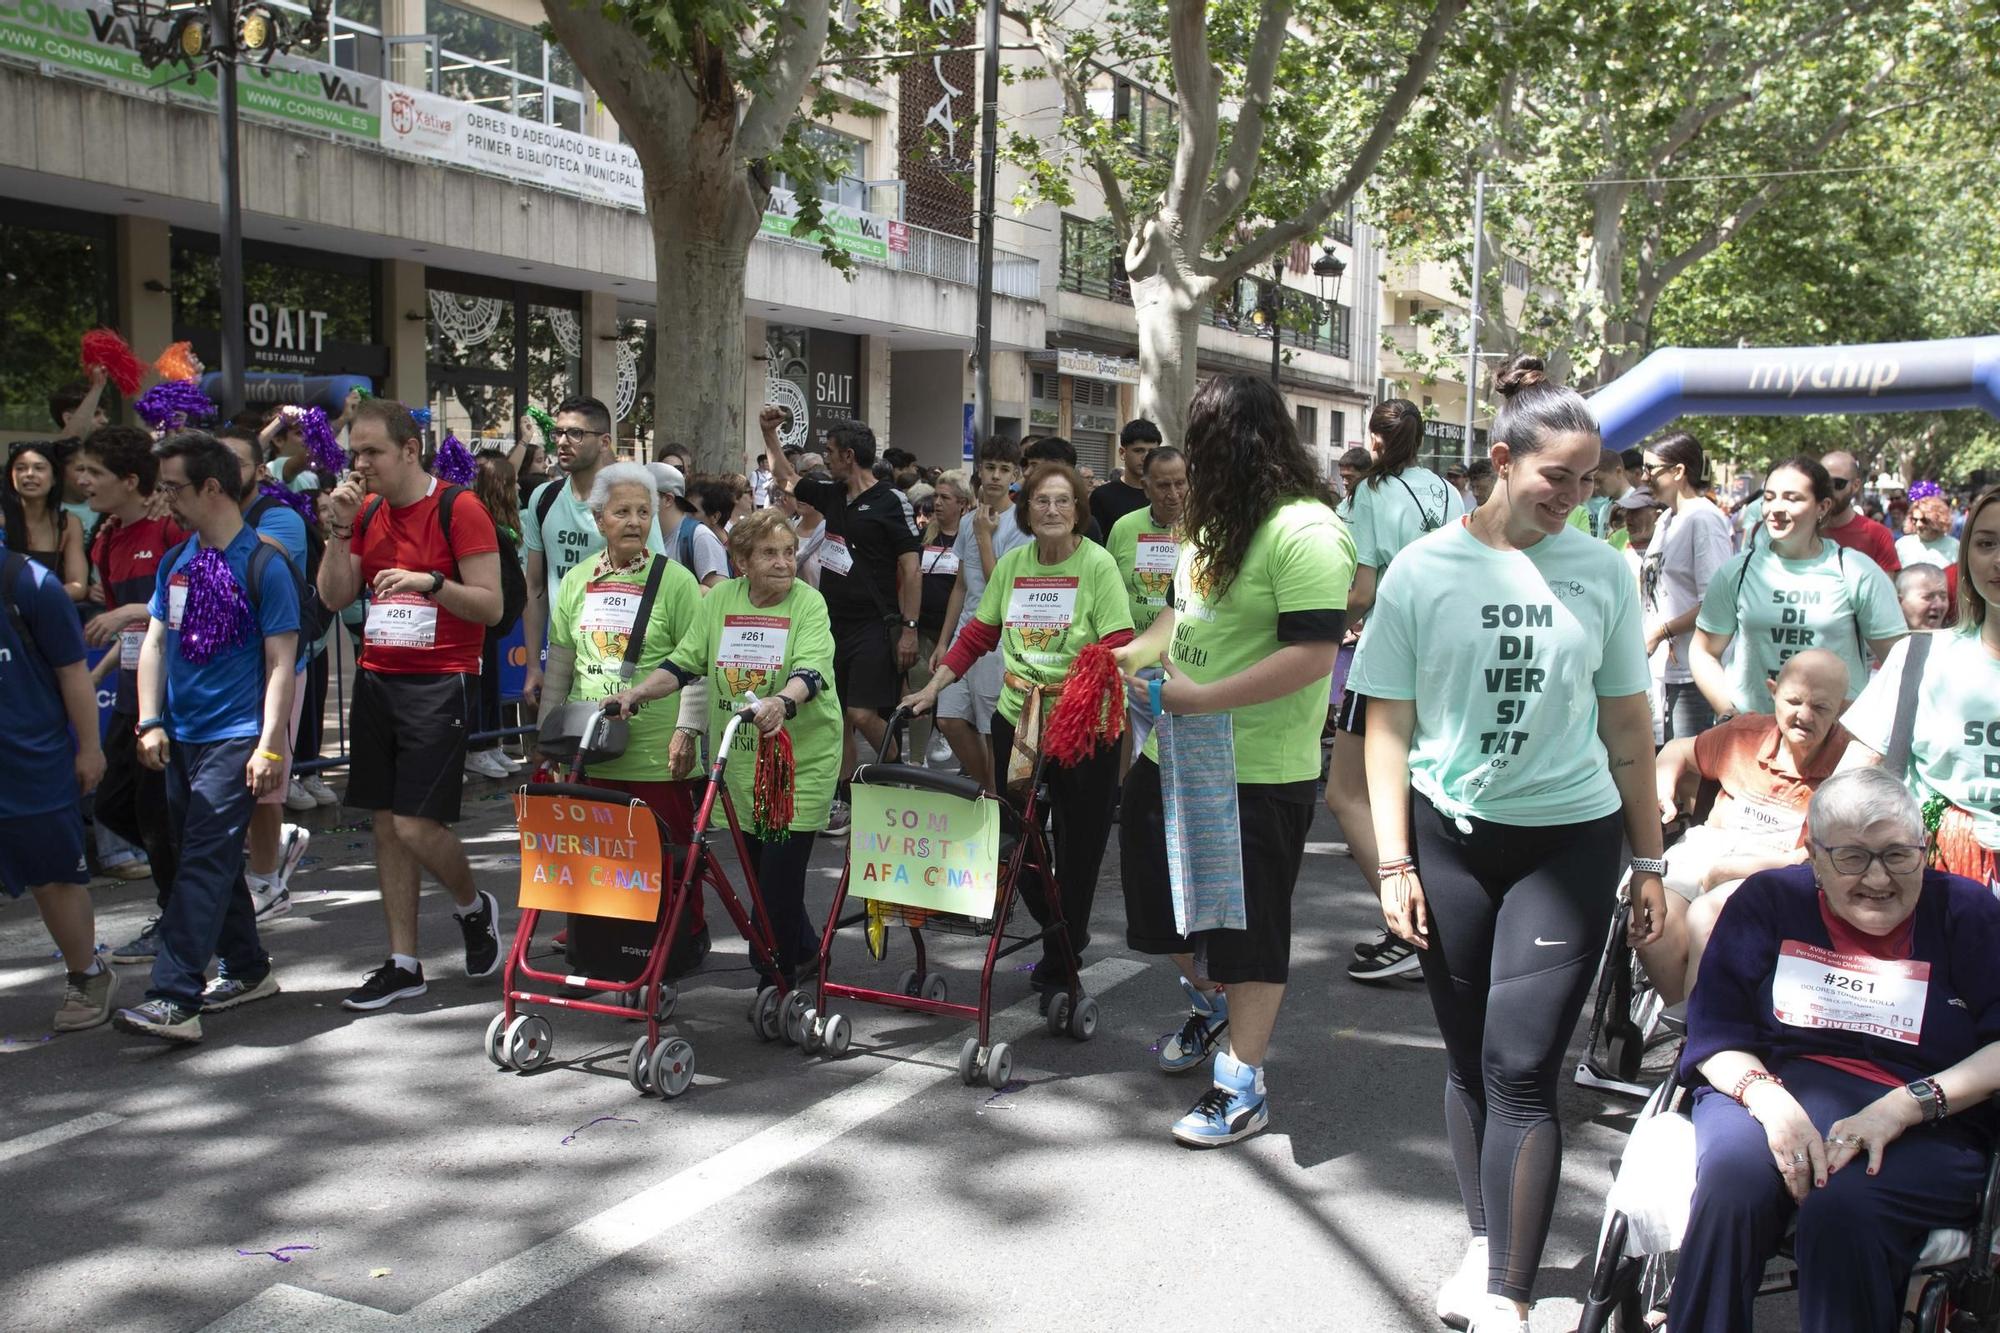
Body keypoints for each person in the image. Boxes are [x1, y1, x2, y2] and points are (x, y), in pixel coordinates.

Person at [1348, 354, 1667, 1333]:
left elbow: (1624, 728)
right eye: (1555, 477)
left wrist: (1649, 860)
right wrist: (1393, 862)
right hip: (1446, 843)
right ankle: (1487, 1235)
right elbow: (1386, 730)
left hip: (1566, 847)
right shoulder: (1422, 567)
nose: (1575, 497)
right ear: (1499, 460)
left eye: (1587, 478)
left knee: (1520, 1067)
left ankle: (1509, 1294)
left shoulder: (1603, 568)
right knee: (1466, 1060)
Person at [1107, 375, 1352, 1147]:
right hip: (1176, 750)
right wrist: (1114, 659)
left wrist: (1198, 699)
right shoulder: (1213, 527)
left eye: (1202, 447)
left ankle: (1242, 1084)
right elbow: (1179, 621)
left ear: (1236, 446)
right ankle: (1213, 1001)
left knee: (1252, 936)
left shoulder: (1307, 530)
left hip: (1259, 768)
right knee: (1155, 906)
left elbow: (1314, 654)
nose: (1187, 470)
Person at [1668, 769, 2000, 1333]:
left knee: (1846, 1208)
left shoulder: (1967, 912)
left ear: (1924, 850)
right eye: (1852, 857)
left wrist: (1903, 1106)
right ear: (1814, 857)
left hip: (1930, 1113)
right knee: (1733, 1185)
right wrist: (1771, 1104)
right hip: (1767, 1090)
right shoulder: (1769, 901)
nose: (1878, 878)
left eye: (1898, 855)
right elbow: (1714, 1032)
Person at [903, 461, 1134, 988]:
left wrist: (1092, 684)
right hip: (1018, 721)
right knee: (1018, 832)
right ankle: (1060, 933)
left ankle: (1064, 944)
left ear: (1077, 510)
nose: (1052, 510)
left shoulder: (1097, 566)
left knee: (1081, 844)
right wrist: (934, 686)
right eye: (1041, 501)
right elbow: (979, 635)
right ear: (1026, 510)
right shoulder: (1011, 563)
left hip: (1082, 726)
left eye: (1063, 501)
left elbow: (1120, 644)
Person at [316, 398, 506, 1012]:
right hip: (378, 677)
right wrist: (341, 531)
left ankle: (474, 907)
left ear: (409, 450)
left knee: (415, 823)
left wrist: (432, 583)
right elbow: (333, 596)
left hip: (440, 680)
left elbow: (491, 607)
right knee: (383, 822)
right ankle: (403, 962)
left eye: (372, 451)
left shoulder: (460, 507)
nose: (361, 464)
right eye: (354, 453)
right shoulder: (365, 511)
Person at [603, 507, 841, 981]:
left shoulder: (808, 603)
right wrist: (637, 692)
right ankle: (807, 950)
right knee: (762, 877)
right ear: (742, 561)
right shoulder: (720, 600)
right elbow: (684, 661)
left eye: (789, 552)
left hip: (799, 763)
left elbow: (811, 670)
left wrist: (782, 701)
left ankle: (774, 978)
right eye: (769, 553)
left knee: (777, 881)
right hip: (741, 765)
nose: (783, 563)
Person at [116, 431, 300, 1042]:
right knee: (206, 861)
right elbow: (156, 644)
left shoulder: (266, 564)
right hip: (179, 739)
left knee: (199, 864)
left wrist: (270, 745)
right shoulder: (178, 561)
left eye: (173, 487)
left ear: (212, 488)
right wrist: (150, 719)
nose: (163, 498)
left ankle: (175, 997)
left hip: (237, 740)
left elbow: (281, 665)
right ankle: (248, 970)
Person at [538, 463, 707, 956]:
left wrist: (687, 733)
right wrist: (546, 740)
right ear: (599, 519)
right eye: (622, 512)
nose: (634, 521)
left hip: (658, 750)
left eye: (643, 512)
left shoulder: (676, 582)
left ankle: (681, 937)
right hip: (590, 744)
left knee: (668, 850)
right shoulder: (575, 581)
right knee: (595, 847)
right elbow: (561, 666)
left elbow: (693, 664)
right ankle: (598, 936)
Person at [1331, 399, 1466, 983]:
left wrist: (1320, 625)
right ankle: (1424, 922)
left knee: (1345, 794)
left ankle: (1407, 920)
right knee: (1415, 793)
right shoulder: (1447, 491)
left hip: (1388, 655)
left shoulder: (1370, 494)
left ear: (1376, 441)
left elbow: (1360, 590)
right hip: (1446, 653)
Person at [1640, 650, 1853, 1004]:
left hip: (1779, 865)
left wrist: (1735, 869)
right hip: (1711, 845)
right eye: (1794, 701)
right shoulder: (1746, 733)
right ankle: (1689, 1021)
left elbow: (1818, 859)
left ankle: (1703, 1031)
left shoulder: (1849, 760)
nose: (1803, 716)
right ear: (1773, 691)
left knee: (1710, 924)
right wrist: (1664, 786)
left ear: (1842, 709)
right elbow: (1678, 751)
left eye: (1820, 708)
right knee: (1650, 920)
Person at [762, 411, 921, 836]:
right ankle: (845, 799)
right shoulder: (832, 494)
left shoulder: (891, 500)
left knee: (862, 711)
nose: (826, 459)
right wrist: (768, 433)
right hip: (832, 623)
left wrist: (909, 627)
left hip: (875, 623)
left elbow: (910, 567)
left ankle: (897, 776)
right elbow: (787, 477)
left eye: (831, 453)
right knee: (838, 716)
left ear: (849, 455)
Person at [1840, 486, 2000, 884]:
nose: (1998, 559)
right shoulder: (1920, 656)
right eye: (1986, 543)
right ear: (1966, 557)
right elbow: (1851, 781)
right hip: (1933, 887)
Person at [75, 427, 185, 959]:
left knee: (154, 814)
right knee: (114, 808)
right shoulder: (104, 538)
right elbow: (131, 638)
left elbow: (186, 608)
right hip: (128, 692)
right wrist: (91, 679)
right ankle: (203, 875)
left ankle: (178, 911)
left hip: (171, 695)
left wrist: (132, 611)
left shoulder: (170, 532)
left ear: (131, 480)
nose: (82, 480)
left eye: (94, 472)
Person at [1690, 456, 1904, 721]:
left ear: (1822, 507)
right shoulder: (1737, 571)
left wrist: (1861, 718)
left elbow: (1899, 660)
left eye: (1792, 498)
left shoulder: (1856, 571)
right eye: (1769, 497)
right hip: (1750, 740)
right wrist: (1728, 712)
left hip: (1834, 745)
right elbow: (1703, 651)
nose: (1776, 508)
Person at [1, 541, 114, 1031]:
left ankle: (87, 974)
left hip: (31, 762)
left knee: (53, 877)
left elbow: (72, 672)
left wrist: (89, 747)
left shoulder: (29, 583)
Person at [215, 427, 315, 921]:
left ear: (259, 470)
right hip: (223, 671)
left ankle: (266, 881)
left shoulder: (280, 519)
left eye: (236, 461)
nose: (225, 471)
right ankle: (269, 850)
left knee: (265, 780)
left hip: (278, 668)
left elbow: (231, 571)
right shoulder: (201, 527)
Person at [520, 396, 664, 710]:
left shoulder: (629, 503)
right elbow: (534, 587)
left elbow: (657, 581)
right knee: (554, 751)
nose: (562, 442)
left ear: (604, 442)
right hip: (561, 660)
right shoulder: (543, 499)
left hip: (618, 663)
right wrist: (533, 664)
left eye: (576, 434)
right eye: (557, 433)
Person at [928, 437, 1030, 794]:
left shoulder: (1021, 524)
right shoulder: (970, 518)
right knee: (948, 718)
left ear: (1016, 474)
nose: (996, 477)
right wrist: (944, 641)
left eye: (1005, 470)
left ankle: (999, 803)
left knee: (991, 729)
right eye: (990, 468)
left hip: (996, 641)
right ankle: (990, 791)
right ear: (980, 470)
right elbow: (961, 584)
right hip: (963, 636)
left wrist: (985, 537)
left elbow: (999, 585)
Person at [1639, 431, 1737, 742]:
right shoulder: (1666, 520)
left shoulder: (1704, 520)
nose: (1643, 478)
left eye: (1650, 469)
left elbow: (1717, 602)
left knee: (1690, 776)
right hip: (1665, 672)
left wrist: (1660, 632)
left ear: (1678, 471)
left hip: (1696, 674)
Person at [1104, 445, 1188, 764]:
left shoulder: (1205, 529)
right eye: (1163, 485)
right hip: (1134, 659)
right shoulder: (1125, 527)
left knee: (1175, 754)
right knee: (1140, 753)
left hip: (1180, 662)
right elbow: (1110, 591)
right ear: (1145, 486)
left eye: (1180, 483)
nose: (1173, 493)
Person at [465, 450, 527, 780]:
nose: (518, 490)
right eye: (513, 483)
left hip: (494, 621)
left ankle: (490, 742)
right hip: (479, 619)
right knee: (480, 682)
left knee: (492, 682)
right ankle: (476, 745)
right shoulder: (481, 522)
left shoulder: (504, 525)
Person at [4, 440, 88, 601]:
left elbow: (78, 586)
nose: (29, 474)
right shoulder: (2, 522)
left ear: (55, 478)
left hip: (49, 611)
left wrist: (35, 599)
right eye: (20, 468)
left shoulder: (69, 523)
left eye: (39, 468)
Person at [1819, 449, 1902, 574]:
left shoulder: (1878, 535)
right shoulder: (1804, 530)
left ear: (1855, 486)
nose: (1829, 490)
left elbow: (1886, 591)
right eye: (1823, 483)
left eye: (1837, 483)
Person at [1088, 419, 1161, 535]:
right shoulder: (1102, 496)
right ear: (1122, 453)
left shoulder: (1164, 495)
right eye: (1138, 451)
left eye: (1152, 452)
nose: (1146, 457)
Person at [1896, 495, 1958, 569]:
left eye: (1924, 520)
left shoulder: (1954, 545)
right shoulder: (1902, 545)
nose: (1919, 524)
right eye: (1915, 520)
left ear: (1938, 521)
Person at [1893, 562, 1950, 631]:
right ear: (1899, 602)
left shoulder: (1958, 640)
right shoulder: (1886, 640)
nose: (1939, 605)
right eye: (1927, 597)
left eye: (1943, 597)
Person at [1334, 445, 1372, 512]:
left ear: (1365, 474)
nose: (1344, 482)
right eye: (1342, 477)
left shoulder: (1376, 503)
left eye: (1349, 477)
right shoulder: (1343, 506)